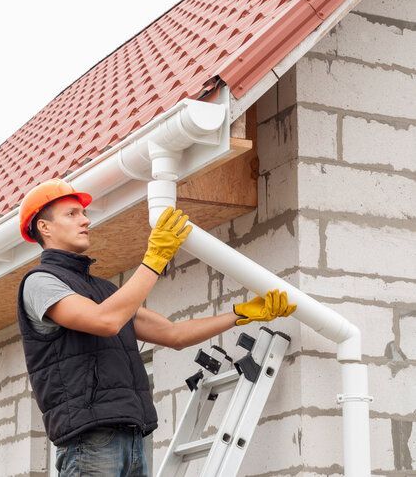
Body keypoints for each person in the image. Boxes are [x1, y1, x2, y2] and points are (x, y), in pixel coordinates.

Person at [16, 178, 297, 477]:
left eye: (84, 214)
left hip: (133, 438)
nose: (85, 220)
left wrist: (240, 314)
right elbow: (105, 322)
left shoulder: (104, 291)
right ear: (44, 227)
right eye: (72, 214)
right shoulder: (40, 282)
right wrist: (154, 259)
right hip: (90, 442)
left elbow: (173, 335)